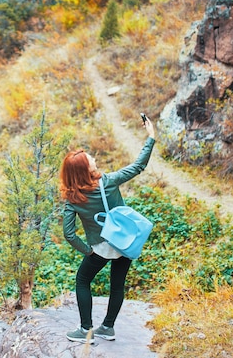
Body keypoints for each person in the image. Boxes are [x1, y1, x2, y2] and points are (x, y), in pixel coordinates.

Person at [60, 115, 156, 344]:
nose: (93, 158)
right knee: (117, 284)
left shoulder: (72, 199)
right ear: (85, 169)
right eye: (89, 159)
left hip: (100, 247)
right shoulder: (109, 181)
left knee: (83, 280)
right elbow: (138, 166)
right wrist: (151, 137)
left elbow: (68, 233)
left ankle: (86, 331)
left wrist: (87, 251)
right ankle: (108, 328)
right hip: (125, 241)